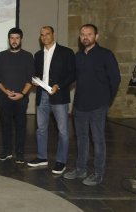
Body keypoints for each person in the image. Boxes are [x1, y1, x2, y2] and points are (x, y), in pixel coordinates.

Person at [63, 24, 120, 186]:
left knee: (98, 140)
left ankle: (98, 173)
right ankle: (81, 169)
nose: (85, 37)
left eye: (89, 34)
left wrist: (106, 101)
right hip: (80, 105)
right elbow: (72, 77)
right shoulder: (78, 56)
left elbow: (115, 79)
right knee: (81, 139)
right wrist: (58, 86)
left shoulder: (106, 55)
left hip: (98, 106)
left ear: (96, 36)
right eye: (82, 34)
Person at [27, 26, 75, 175]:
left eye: (47, 34)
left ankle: (61, 161)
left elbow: (73, 74)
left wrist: (58, 86)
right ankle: (42, 157)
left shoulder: (66, 52)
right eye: (42, 35)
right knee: (41, 129)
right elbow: (35, 73)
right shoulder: (38, 55)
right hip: (42, 95)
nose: (45, 37)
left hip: (59, 96)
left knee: (63, 131)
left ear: (53, 34)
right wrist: (34, 80)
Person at [0, 27, 34, 163]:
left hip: (21, 98)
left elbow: (30, 79)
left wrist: (22, 94)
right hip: (4, 97)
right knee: (5, 125)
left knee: (21, 126)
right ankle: (7, 151)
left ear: (21, 39)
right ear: (8, 39)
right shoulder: (1, 56)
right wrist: (6, 91)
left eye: (17, 38)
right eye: (12, 38)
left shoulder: (28, 56)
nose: (14, 41)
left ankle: (20, 153)